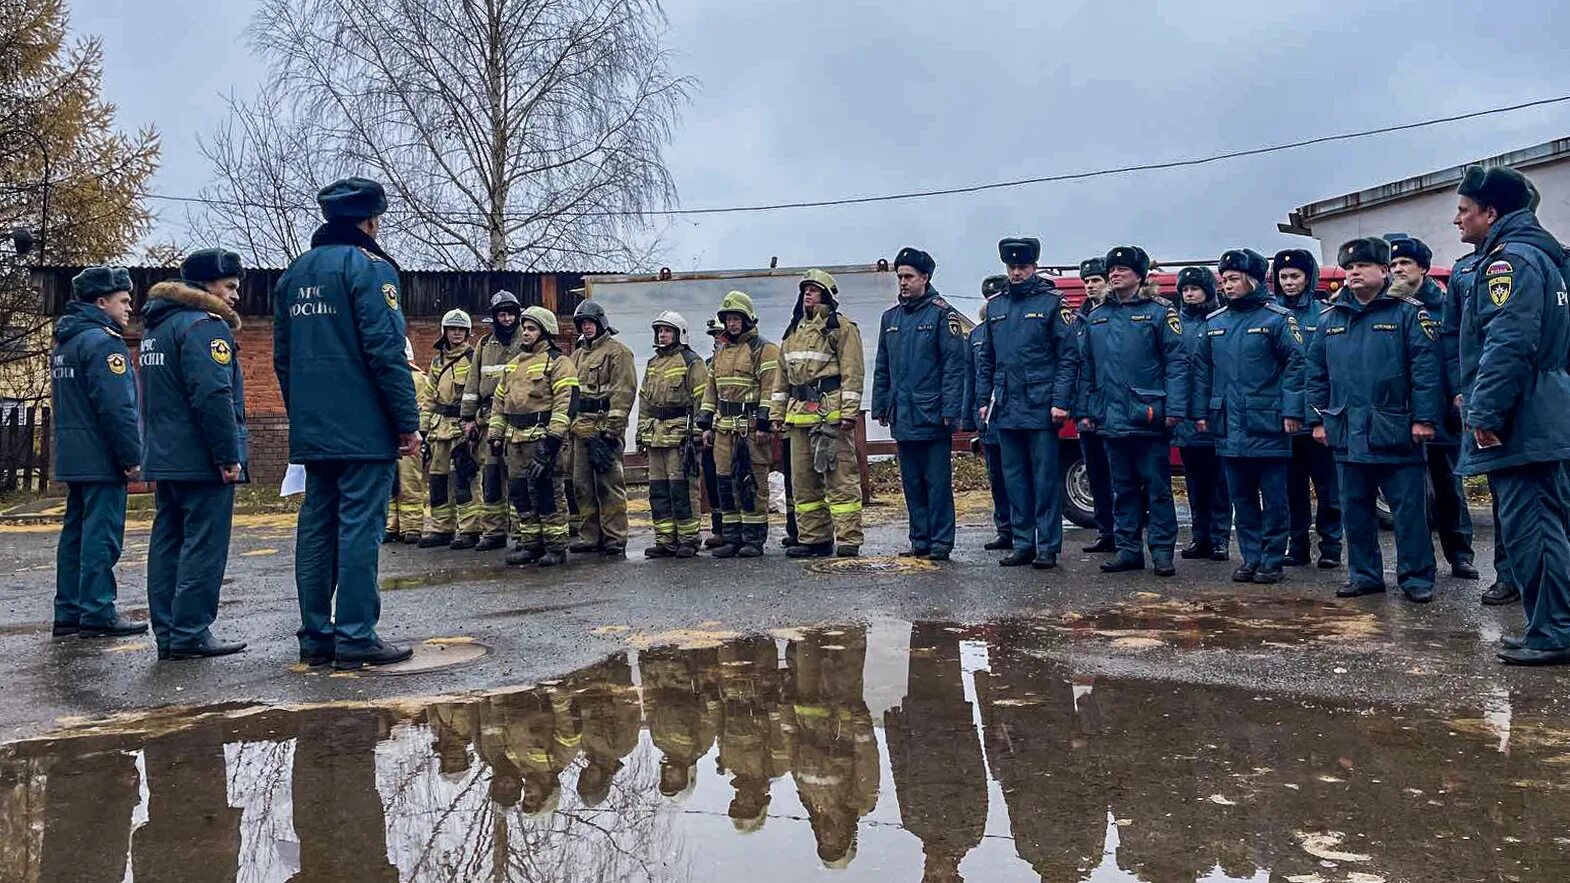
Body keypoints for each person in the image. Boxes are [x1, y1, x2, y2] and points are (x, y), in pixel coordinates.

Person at [273, 176, 420, 670]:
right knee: (360, 527)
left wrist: (304, 418)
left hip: (314, 430)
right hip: (364, 429)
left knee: (316, 525)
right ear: (370, 220)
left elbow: (283, 359)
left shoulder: (293, 274)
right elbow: (386, 351)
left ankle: (316, 635)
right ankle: (356, 634)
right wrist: (406, 421)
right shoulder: (370, 268)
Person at [1452, 165, 1570, 665]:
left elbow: (1508, 343)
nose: (1458, 221)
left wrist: (1485, 413)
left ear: (1491, 212)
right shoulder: (1545, 258)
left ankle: (1555, 631)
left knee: (1534, 528)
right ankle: (1549, 623)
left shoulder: (1509, 262)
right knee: (1546, 524)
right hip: (1543, 409)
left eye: (1463, 211)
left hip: (1522, 417)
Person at [1307, 236, 1443, 603]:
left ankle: (1416, 578)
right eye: (1348, 268)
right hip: (1346, 431)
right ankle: (1364, 574)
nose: (1353, 273)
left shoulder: (1408, 313)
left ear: (1383, 271)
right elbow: (1315, 373)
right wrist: (1317, 420)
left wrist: (1425, 418)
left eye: (1361, 267)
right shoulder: (1329, 319)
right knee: (1355, 510)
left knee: (1409, 511)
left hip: (1396, 429)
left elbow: (1426, 371)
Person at [138, 249, 249, 659]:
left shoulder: (157, 328)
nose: (236, 295)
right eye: (230, 286)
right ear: (207, 285)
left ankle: (168, 631)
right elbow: (213, 395)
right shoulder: (205, 326)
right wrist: (227, 454)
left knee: (168, 541)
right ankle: (191, 631)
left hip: (166, 455)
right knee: (204, 543)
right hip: (202, 457)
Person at [1194, 248, 1304, 584]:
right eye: (1223, 279)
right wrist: (1200, 412)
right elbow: (1202, 371)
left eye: (1232, 279)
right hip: (1229, 424)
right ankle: (1250, 557)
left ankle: (1272, 559)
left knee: (1273, 498)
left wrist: (1292, 410)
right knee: (1240, 497)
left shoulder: (1277, 319)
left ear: (1251, 280)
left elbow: (1296, 364)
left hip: (1267, 422)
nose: (1225, 285)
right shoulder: (1214, 323)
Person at [1076, 246, 1187, 576]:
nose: (1115, 274)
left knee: (1157, 489)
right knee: (1121, 489)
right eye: (1112, 269)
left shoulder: (1160, 313)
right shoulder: (1096, 317)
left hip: (1148, 417)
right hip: (1110, 420)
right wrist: (1084, 409)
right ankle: (1128, 550)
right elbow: (1086, 368)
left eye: (1123, 269)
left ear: (1139, 275)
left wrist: (1174, 408)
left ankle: (1163, 551)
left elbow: (1177, 363)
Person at [49, 266, 146, 639]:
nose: (129, 309)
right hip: (101, 456)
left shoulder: (66, 342)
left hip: (74, 455)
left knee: (74, 534)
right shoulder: (103, 343)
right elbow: (117, 408)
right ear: (101, 302)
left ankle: (68, 612)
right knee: (101, 536)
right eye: (123, 301)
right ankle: (98, 610)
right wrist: (131, 457)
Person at [976, 237, 1079, 569]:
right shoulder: (996, 307)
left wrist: (1061, 400)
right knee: (1014, 479)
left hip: (1041, 404)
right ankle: (1023, 542)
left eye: (1022, 266)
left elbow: (1067, 357)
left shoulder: (1052, 304)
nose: (1016, 272)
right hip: (1006, 406)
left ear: (1034, 267)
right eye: (1012, 267)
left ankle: (1047, 545)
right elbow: (987, 360)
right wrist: (983, 402)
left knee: (1045, 479)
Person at [1388, 235, 1479, 580]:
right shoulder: (1390, 307)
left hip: (1442, 413)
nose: (1398, 270)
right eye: (1393, 265)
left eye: (1404, 265)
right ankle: (1415, 561)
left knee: (1448, 487)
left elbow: (1458, 355)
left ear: (1423, 269)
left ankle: (1460, 555)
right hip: (1401, 414)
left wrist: (1459, 395)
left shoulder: (1444, 306)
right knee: (1410, 494)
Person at [872, 247, 967, 561]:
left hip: (932, 414)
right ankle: (920, 540)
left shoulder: (942, 314)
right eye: (900, 277)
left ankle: (941, 542)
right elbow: (883, 366)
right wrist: (881, 406)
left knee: (937, 483)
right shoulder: (891, 319)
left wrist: (951, 411)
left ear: (925, 278)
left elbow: (954, 366)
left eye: (909, 277)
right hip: (903, 414)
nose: (903, 282)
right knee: (911, 483)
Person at [1445, 227, 1518, 605]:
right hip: (1485, 397)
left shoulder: (1540, 258)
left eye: (1465, 209)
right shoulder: (1465, 271)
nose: (1458, 219)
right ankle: (1508, 575)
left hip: (1533, 397)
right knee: (1504, 495)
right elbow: (1455, 336)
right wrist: (1461, 387)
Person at [775, 269, 866, 558]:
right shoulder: (793, 332)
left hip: (829, 416)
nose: (808, 294)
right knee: (803, 484)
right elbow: (781, 378)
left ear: (826, 294)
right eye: (805, 290)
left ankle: (848, 539)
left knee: (840, 479)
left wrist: (849, 412)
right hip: (798, 416)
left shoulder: (841, 327)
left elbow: (853, 371)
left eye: (814, 289)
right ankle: (814, 539)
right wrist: (776, 413)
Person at [487, 306, 580, 567]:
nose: (525, 333)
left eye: (531, 328)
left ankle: (556, 546)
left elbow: (566, 406)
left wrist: (550, 445)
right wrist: (495, 435)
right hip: (515, 442)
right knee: (519, 495)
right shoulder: (514, 365)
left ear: (546, 332)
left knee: (547, 492)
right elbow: (499, 403)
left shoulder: (560, 363)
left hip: (543, 441)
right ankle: (531, 544)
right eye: (524, 328)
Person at [1271, 248, 1343, 568]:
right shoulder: (1270, 315)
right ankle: (1296, 546)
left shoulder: (1324, 314)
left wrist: (1324, 413)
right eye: (1283, 277)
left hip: (1318, 417)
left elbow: (1331, 367)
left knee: (1329, 488)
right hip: (1284, 418)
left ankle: (1331, 547)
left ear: (1308, 278)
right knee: (1291, 489)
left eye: (1295, 276)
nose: (1289, 282)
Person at [697, 291, 780, 558]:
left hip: (750, 428)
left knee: (752, 483)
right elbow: (711, 390)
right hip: (723, 429)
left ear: (747, 319)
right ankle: (732, 538)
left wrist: (765, 425)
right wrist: (706, 424)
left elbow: (771, 389)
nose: (732, 324)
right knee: (726, 483)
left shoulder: (763, 349)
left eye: (736, 318)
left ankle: (753, 540)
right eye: (728, 319)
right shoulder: (721, 351)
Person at [567, 300, 637, 557]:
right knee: (582, 486)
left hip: (603, 429)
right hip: (581, 430)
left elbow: (624, 392)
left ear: (601, 323)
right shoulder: (575, 356)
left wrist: (612, 430)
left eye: (590, 323)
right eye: (582, 324)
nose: (586, 328)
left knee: (608, 486)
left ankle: (615, 537)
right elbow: (569, 394)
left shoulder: (618, 353)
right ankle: (589, 535)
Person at [1171, 266, 1232, 561]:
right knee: (1194, 481)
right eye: (1185, 289)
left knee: (1220, 482)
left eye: (1195, 288)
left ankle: (1219, 538)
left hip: (1216, 413)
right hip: (1186, 416)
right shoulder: (1176, 324)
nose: (1189, 294)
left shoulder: (1219, 321)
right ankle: (1200, 536)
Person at [460, 291, 528, 552]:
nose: (507, 318)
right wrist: (468, 418)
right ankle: (494, 531)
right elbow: (472, 384)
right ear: (495, 317)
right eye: (502, 314)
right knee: (491, 478)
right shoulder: (485, 345)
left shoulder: (527, 340)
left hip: (516, 421)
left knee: (518, 478)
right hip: (488, 421)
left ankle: (523, 532)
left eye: (510, 313)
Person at [637, 311, 709, 557]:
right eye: (660, 331)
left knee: (683, 490)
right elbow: (645, 402)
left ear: (680, 334)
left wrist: (699, 434)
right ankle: (665, 540)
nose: (663, 335)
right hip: (655, 437)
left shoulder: (692, 362)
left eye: (667, 331)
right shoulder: (652, 364)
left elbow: (703, 399)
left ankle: (688, 539)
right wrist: (640, 434)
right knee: (658, 490)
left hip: (681, 437)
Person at [421, 309, 482, 548]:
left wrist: (474, 424)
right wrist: (423, 431)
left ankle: (470, 529)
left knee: (464, 480)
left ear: (467, 332)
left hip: (461, 429)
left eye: (461, 329)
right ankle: (441, 529)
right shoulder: (437, 362)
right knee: (438, 482)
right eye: (452, 329)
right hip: (439, 430)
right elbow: (428, 399)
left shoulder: (472, 358)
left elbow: (478, 393)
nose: (456, 333)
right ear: (444, 332)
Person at [1075, 256, 1117, 552]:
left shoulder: (1117, 314)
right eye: (1087, 282)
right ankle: (1105, 532)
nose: (1090, 286)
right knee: (1097, 475)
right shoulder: (1078, 320)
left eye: (1096, 281)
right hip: (1087, 410)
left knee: (1122, 476)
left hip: (1114, 408)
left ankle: (1124, 533)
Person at [966, 276, 1012, 550]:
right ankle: (1004, 529)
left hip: (1012, 413)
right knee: (996, 477)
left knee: (1017, 476)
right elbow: (970, 378)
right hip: (988, 418)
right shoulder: (976, 335)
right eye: (989, 298)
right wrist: (970, 416)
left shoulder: (1011, 329)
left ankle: (1023, 529)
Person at [386, 338, 430, 544]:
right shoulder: (387, 378)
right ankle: (391, 526)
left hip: (409, 439)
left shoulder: (418, 379)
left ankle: (412, 527)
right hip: (390, 439)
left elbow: (422, 409)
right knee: (391, 485)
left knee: (409, 483)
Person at [699, 317, 728, 549]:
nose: (717, 340)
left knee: (732, 481)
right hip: (713, 432)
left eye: (720, 334)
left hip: (733, 431)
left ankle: (735, 530)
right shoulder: (708, 364)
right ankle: (719, 529)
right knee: (713, 481)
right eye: (714, 336)